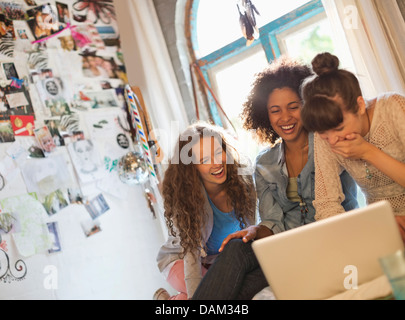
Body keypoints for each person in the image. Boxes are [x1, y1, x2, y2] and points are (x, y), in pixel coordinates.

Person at [192, 56, 359, 300]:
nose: (285, 117)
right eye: (275, 110)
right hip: (286, 249)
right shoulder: (265, 163)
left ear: (307, 105)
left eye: (293, 106)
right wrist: (253, 230)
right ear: (265, 115)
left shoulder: (329, 141)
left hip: (330, 242)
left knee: (237, 294)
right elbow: (273, 222)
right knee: (238, 248)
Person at [300, 52, 405, 243]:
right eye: (324, 134)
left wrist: (368, 152)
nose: (332, 141)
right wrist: (378, 225)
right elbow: (326, 206)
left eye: (339, 128)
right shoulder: (325, 134)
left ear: (360, 105)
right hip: (383, 229)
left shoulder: (393, 107)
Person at [154, 122, 257, 300]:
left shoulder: (244, 181)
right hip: (180, 260)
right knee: (209, 296)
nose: (216, 163)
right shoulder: (188, 200)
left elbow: (251, 231)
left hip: (218, 260)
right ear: (191, 168)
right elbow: (191, 258)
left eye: (218, 153)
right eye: (204, 160)